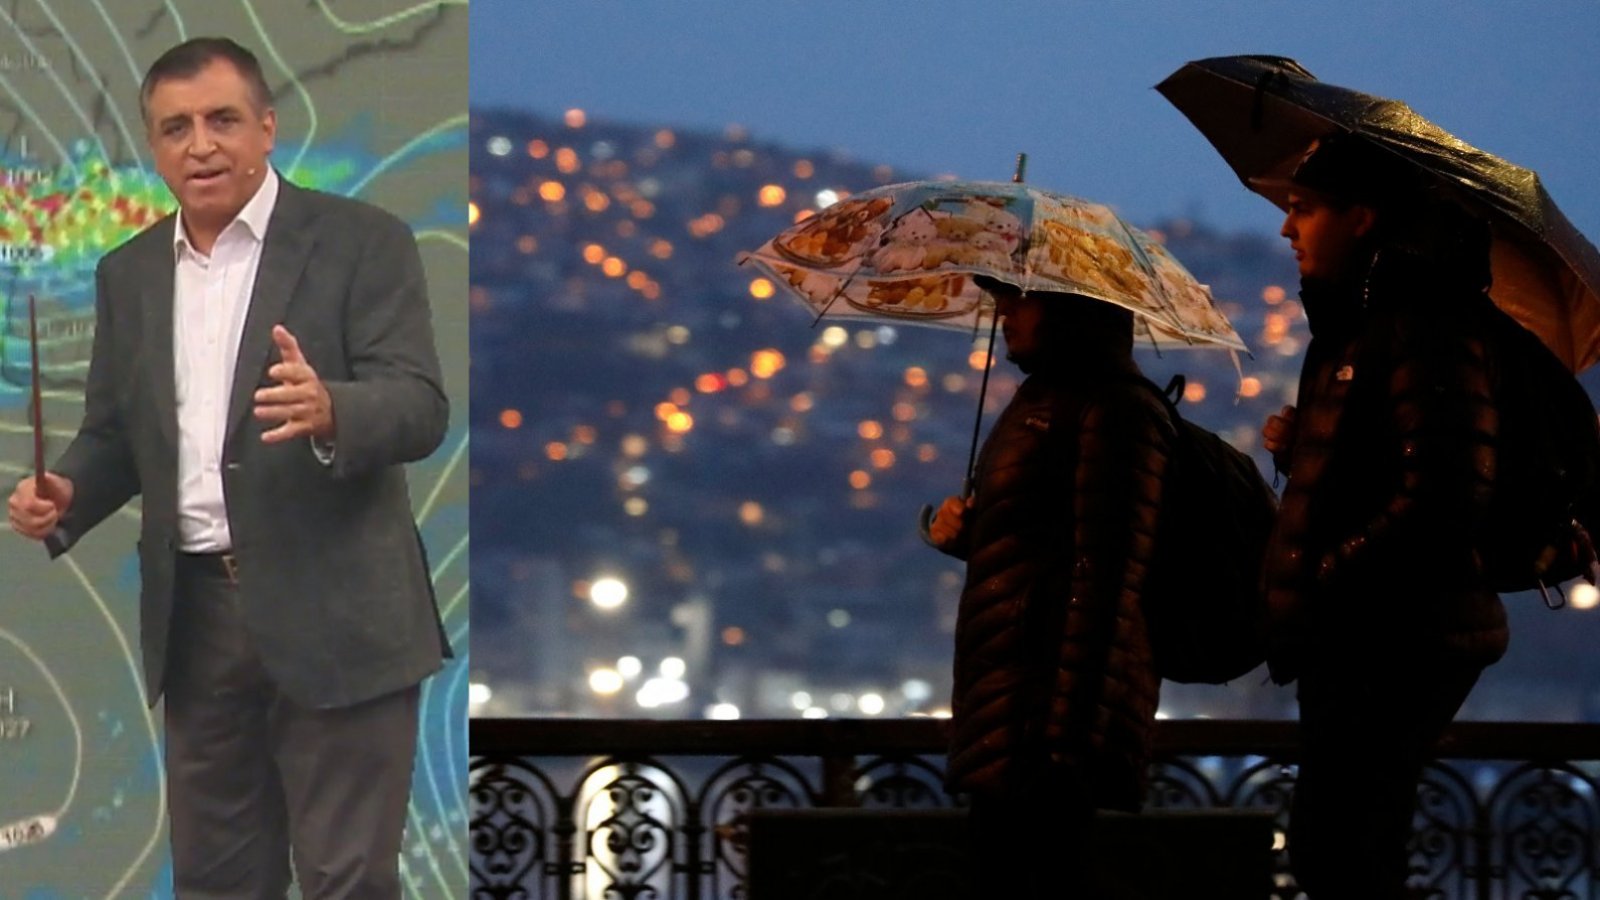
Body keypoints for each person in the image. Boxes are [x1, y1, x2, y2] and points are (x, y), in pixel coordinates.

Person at [5, 38, 449, 899]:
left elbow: (420, 404)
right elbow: (114, 434)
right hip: (197, 620)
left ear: (268, 127)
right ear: (153, 145)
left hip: (342, 613)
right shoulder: (127, 273)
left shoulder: (363, 242)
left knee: (346, 878)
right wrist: (65, 494)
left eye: (221, 120)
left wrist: (333, 410)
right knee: (215, 880)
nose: (200, 145)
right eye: (175, 128)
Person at [1257, 134, 1508, 897]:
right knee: (1344, 846)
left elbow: (1441, 492)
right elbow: (1386, 474)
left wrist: (1329, 574)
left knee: (1343, 850)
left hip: (1388, 632)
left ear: (1361, 217)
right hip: (1366, 630)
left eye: (1303, 208)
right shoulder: (1359, 328)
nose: (1286, 229)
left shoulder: (1418, 324)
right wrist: (1303, 450)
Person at [928, 278, 1171, 897]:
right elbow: (1036, 542)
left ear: (1069, 307)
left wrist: (1069, 736)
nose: (1004, 310)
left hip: (1046, 718)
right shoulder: (1041, 401)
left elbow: (1107, 575)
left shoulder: (1113, 409)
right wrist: (959, 529)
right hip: (1012, 704)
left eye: (1021, 297)